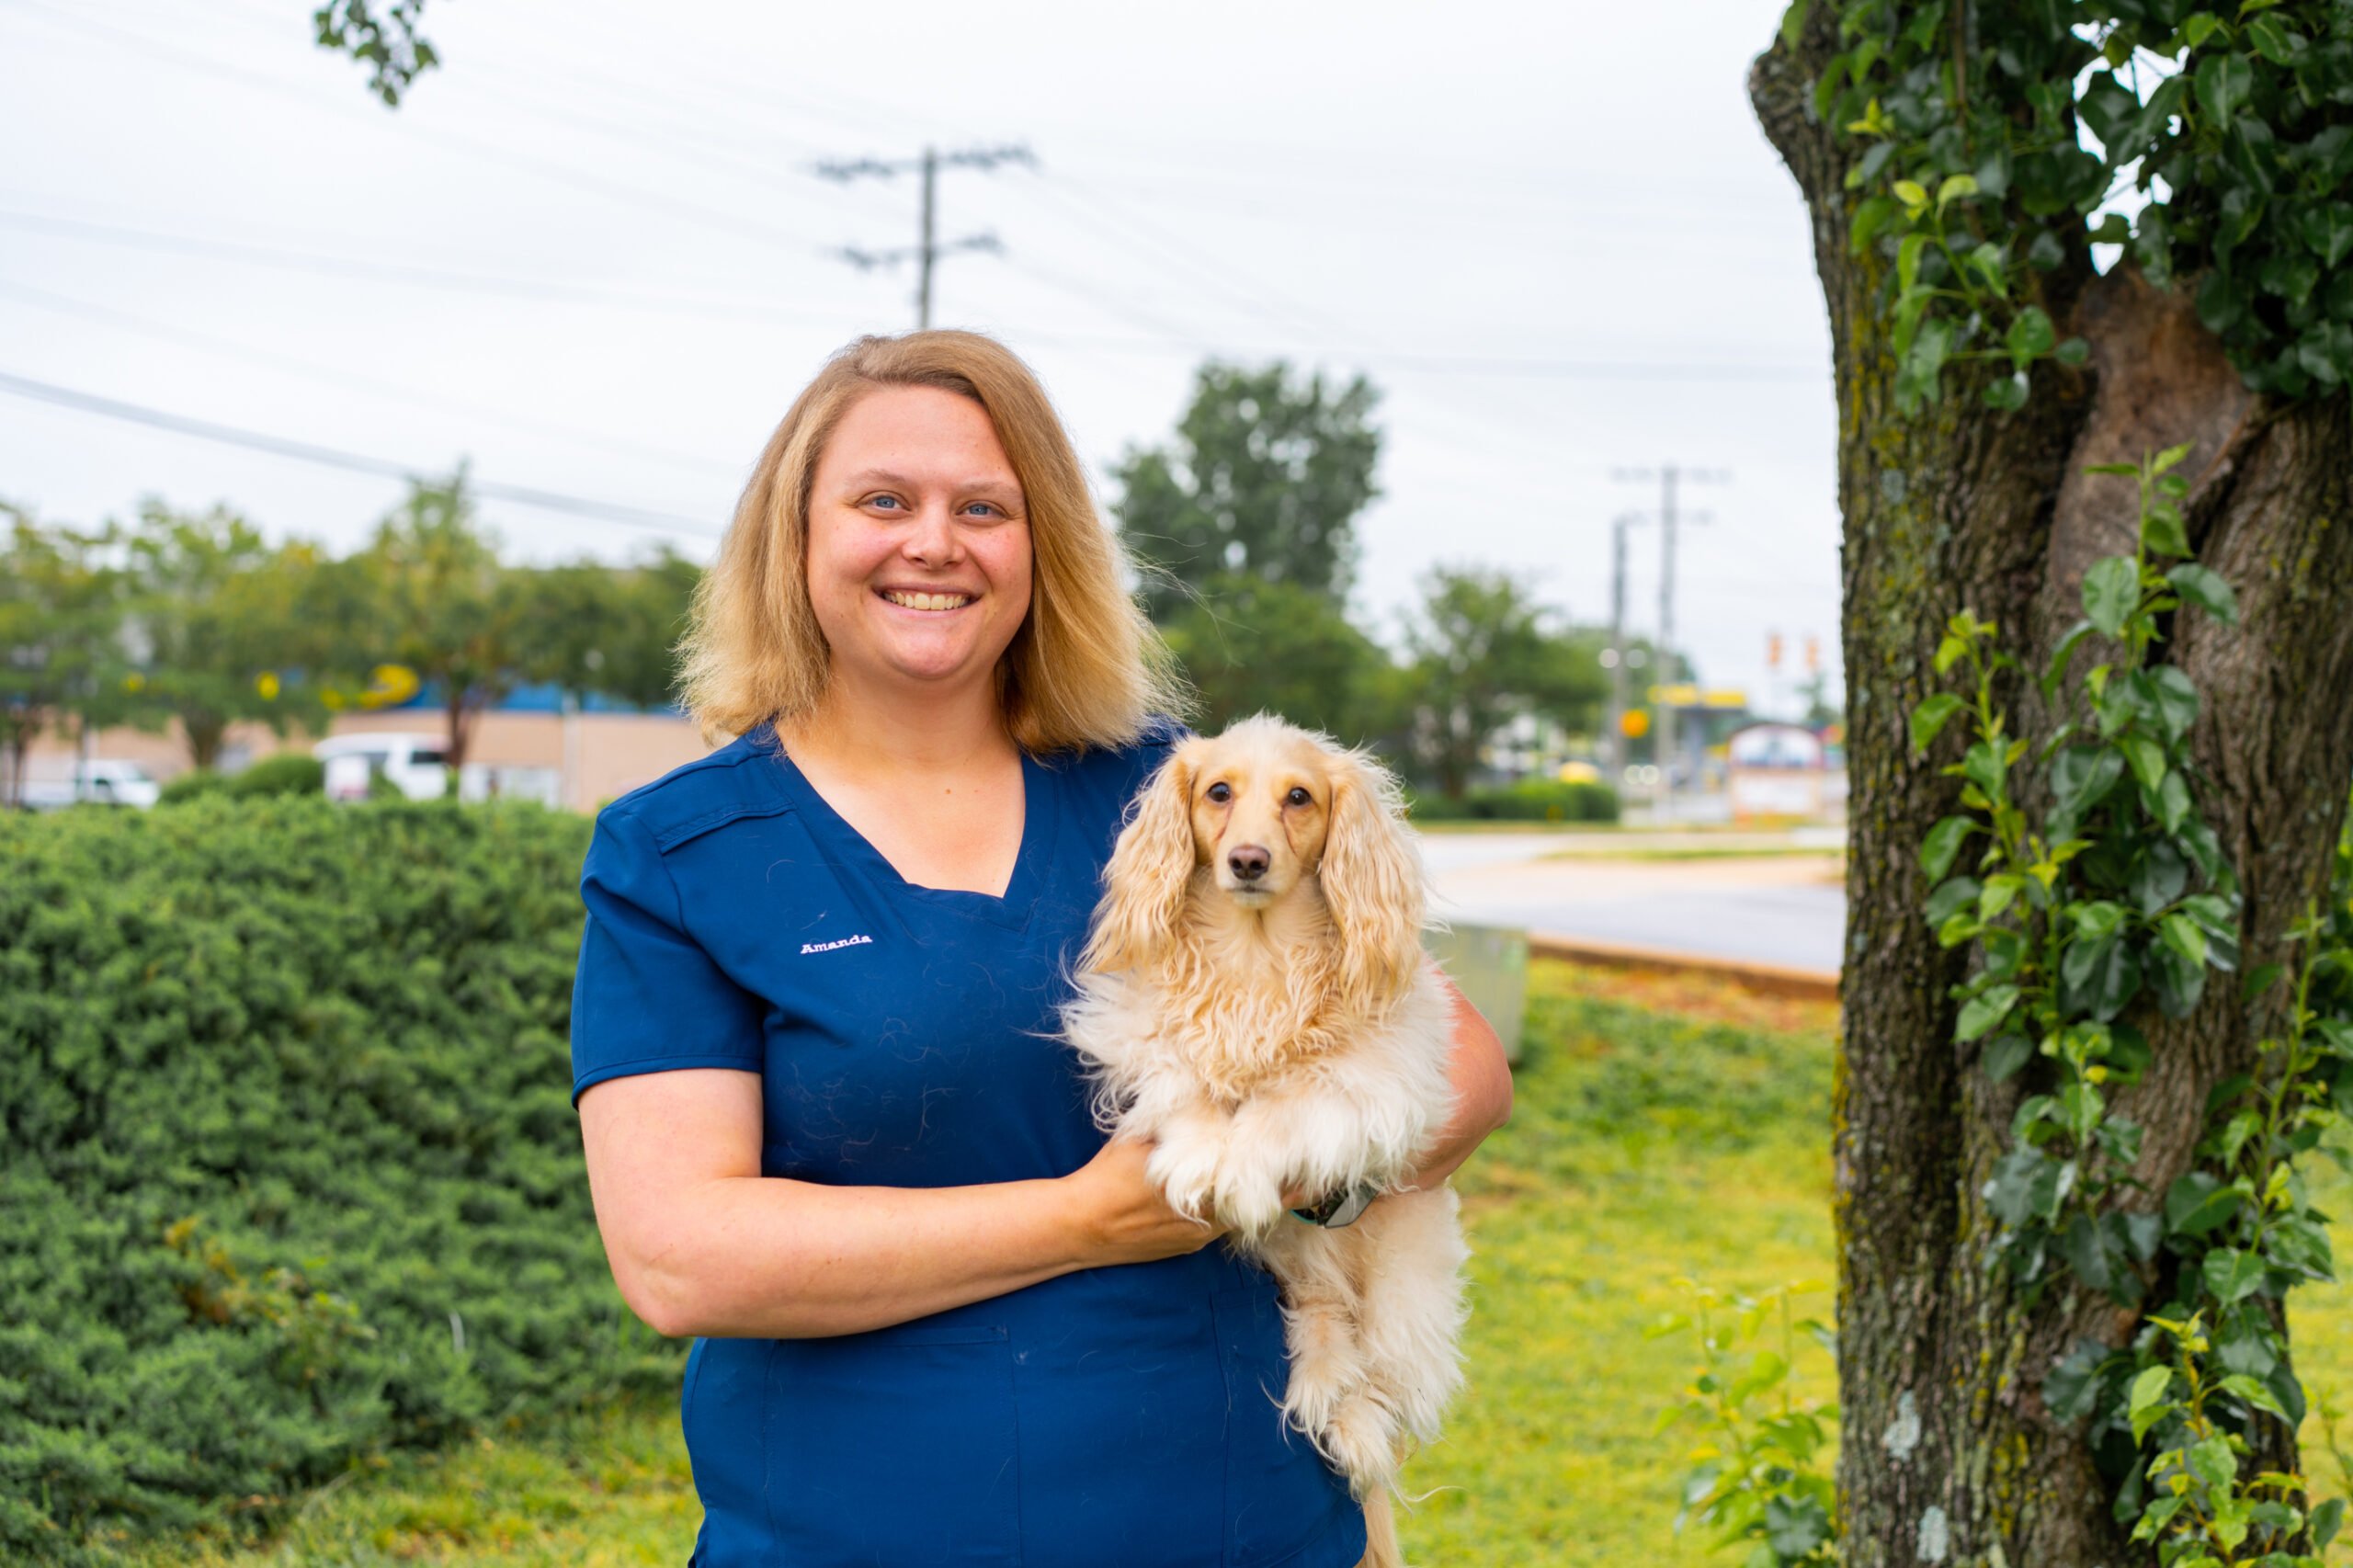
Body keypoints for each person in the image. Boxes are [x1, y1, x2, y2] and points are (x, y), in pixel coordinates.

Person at [569, 330, 1513, 1568]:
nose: (934, 541)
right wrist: (1086, 1216)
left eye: (984, 506)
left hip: (1242, 1531)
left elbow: (1464, 1066)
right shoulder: (681, 850)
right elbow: (681, 1256)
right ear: (793, 541)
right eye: (881, 500)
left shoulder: (1177, 796)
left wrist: (1296, 1169)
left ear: (1043, 548)